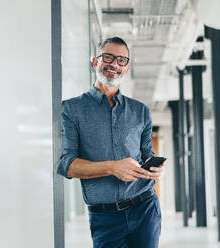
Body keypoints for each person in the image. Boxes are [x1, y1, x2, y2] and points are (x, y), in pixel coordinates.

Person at [57, 37, 164, 248]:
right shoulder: (71, 109)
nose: (114, 64)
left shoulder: (140, 111)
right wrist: (112, 168)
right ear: (95, 62)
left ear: (126, 68)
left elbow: (146, 155)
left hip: (144, 208)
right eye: (108, 57)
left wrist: (155, 168)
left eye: (121, 60)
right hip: (105, 218)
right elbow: (67, 165)